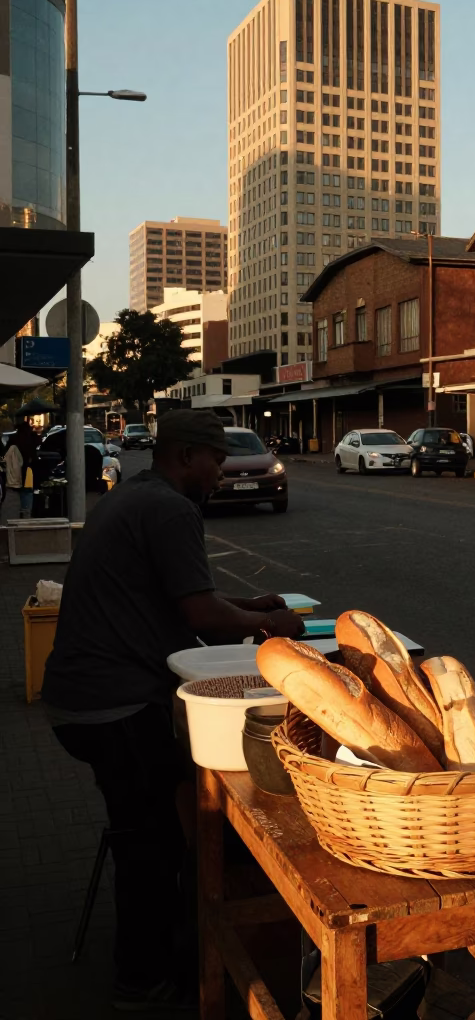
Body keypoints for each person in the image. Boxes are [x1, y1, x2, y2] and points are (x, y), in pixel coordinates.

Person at [42, 409, 306, 1011]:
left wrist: (250, 604)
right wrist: (272, 625)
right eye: (217, 460)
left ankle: (173, 947)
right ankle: (141, 981)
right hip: (109, 706)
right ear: (187, 456)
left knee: (158, 825)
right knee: (152, 844)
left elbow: (186, 597)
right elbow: (201, 617)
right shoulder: (171, 509)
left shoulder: (139, 494)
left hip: (82, 697)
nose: (222, 473)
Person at [4, 419, 38, 517]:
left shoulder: (13, 440)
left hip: (15, 475)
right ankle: (25, 515)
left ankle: (20, 514)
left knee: (15, 499)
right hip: (28, 474)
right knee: (27, 498)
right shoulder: (30, 440)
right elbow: (34, 458)